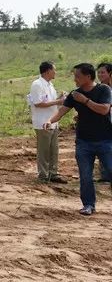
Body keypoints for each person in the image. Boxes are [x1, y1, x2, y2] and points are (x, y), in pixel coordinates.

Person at [45, 63, 112, 215]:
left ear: (88, 77)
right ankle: (89, 205)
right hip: (83, 142)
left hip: (105, 140)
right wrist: (50, 120)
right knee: (85, 176)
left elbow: (104, 110)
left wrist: (85, 101)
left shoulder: (103, 90)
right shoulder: (75, 94)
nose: (75, 79)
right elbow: (62, 111)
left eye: (77, 76)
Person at [28, 62, 67, 183]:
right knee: (44, 151)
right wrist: (58, 102)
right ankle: (43, 175)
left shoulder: (50, 85)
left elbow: (50, 101)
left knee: (53, 150)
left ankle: (53, 173)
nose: (55, 72)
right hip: (42, 122)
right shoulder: (37, 84)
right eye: (54, 70)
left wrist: (59, 99)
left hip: (52, 121)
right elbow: (38, 103)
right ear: (47, 71)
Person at [96, 62, 112, 182]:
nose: (100, 74)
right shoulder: (97, 88)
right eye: (99, 72)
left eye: (103, 72)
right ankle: (105, 175)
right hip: (102, 123)